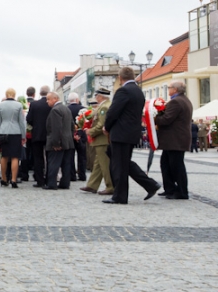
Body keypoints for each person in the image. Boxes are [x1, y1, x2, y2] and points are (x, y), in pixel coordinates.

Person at [103, 67, 161, 204]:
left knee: (119, 165)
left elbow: (113, 111)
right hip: (131, 133)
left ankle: (120, 196)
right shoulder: (138, 91)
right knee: (124, 163)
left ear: (120, 77)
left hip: (121, 133)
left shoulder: (123, 91)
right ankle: (150, 185)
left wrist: (107, 126)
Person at [155, 80, 193, 200]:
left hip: (175, 139)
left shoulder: (176, 102)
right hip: (174, 139)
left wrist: (155, 117)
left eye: (169, 87)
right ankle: (169, 188)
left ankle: (181, 191)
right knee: (166, 164)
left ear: (175, 90)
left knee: (176, 166)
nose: (168, 89)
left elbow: (166, 119)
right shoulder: (184, 100)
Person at [81, 89, 113, 196]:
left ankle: (110, 186)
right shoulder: (104, 105)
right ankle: (92, 185)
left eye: (96, 96)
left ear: (101, 96)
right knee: (98, 164)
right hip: (101, 139)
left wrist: (91, 131)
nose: (96, 98)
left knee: (104, 164)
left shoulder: (104, 107)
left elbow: (102, 124)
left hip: (102, 139)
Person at [0, 88, 25, 188]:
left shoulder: (0, 105)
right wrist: (23, 135)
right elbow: (21, 122)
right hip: (15, 132)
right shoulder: (18, 105)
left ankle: (4, 178)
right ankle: (13, 179)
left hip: (3, 131)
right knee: (15, 157)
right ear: (14, 94)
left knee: (4, 156)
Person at [44, 92, 73, 190]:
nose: (47, 101)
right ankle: (65, 183)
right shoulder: (66, 109)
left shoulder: (55, 110)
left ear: (55, 99)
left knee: (53, 163)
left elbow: (56, 128)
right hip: (68, 141)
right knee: (66, 164)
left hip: (58, 141)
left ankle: (51, 183)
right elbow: (72, 125)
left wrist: (56, 143)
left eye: (48, 99)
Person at [25, 85, 51, 187]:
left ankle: (40, 180)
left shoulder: (34, 104)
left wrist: (36, 125)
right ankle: (49, 179)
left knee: (38, 158)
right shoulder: (50, 104)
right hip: (49, 134)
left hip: (37, 134)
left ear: (39, 93)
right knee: (50, 158)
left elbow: (29, 119)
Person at [66, 93, 86, 181]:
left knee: (70, 156)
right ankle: (82, 175)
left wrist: (73, 134)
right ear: (77, 100)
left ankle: (72, 175)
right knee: (82, 156)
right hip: (81, 135)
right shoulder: (83, 109)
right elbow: (86, 124)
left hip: (70, 135)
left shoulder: (66, 109)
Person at [18, 86, 36, 181]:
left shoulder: (21, 104)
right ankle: (36, 173)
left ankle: (24, 174)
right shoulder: (36, 104)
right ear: (34, 94)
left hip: (24, 132)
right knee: (36, 154)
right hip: (34, 133)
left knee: (25, 153)